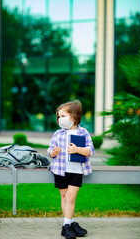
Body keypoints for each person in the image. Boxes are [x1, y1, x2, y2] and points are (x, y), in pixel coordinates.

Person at [47, 100, 95, 239]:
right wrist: (53, 153)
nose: (60, 119)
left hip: (76, 171)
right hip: (60, 170)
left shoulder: (83, 132)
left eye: (63, 116)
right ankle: (70, 223)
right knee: (64, 197)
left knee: (70, 197)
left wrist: (77, 150)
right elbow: (49, 150)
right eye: (59, 117)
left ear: (73, 117)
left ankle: (66, 226)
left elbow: (90, 150)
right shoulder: (58, 133)